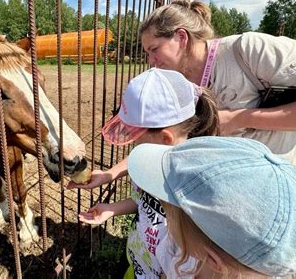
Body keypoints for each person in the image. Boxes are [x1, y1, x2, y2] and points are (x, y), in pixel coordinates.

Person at [138, 0, 296, 180]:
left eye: (154, 49)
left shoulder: (248, 50)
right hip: (224, 194)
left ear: (181, 37)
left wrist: (239, 118)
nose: (151, 61)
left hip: (278, 190)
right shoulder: (177, 81)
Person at [75, 67, 220, 278]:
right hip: (140, 262)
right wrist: (111, 209)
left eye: (136, 140)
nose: (133, 146)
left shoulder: (195, 190)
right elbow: (145, 201)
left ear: (165, 139)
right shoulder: (156, 165)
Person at [127, 137, 296, 278]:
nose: (166, 217)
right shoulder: (184, 254)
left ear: (213, 260)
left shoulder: (185, 258)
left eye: (170, 213)